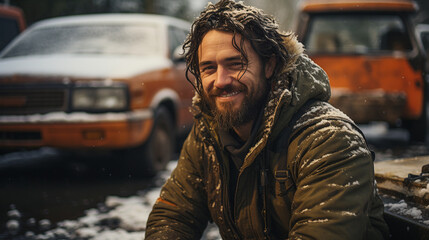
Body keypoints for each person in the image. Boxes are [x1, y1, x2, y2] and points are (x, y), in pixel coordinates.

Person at [145, 0, 389, 239]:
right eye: (208, 68)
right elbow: (173, 215)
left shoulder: (329, 140)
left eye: (235, 64)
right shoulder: (208, 134)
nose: (220, 80)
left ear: (269, 65)